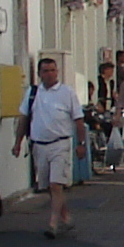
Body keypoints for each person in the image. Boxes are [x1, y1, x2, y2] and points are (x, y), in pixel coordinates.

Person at [13, 54, 80, 237]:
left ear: (57, 72)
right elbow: (24, 119)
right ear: (39, 74)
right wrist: (18, 142)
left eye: (53, 70)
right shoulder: (33, 93)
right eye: (46, 71)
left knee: (55, 184)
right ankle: (65, 217)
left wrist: (80, 143)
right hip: (39, 145)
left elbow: (78, 119)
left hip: (60, 143)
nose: (50, 74)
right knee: (49, 186)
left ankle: (53, 224)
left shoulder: (67, 93)